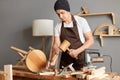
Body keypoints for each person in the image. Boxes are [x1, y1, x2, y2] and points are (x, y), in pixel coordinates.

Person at [47, 0, 94, 70]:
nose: (60, 16)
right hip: (65, 63)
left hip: (80, 61)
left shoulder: (81, 21)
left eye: (62, 13)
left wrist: (77, 52)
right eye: (58, 14)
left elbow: (90, 40)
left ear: (68, 11)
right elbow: (56, 44)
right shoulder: (58, 26)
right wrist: (53, 60)